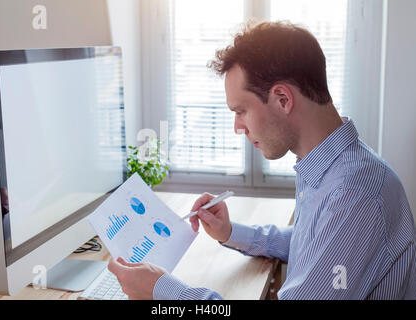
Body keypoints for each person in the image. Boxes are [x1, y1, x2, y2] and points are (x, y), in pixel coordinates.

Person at [107, 21, 416, 300]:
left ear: (283, 99)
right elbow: (311, 245)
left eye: (241, 110)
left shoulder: (353, 193)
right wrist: (231, 232)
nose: (237, 127)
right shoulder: (334, 166)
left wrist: (162, 290)